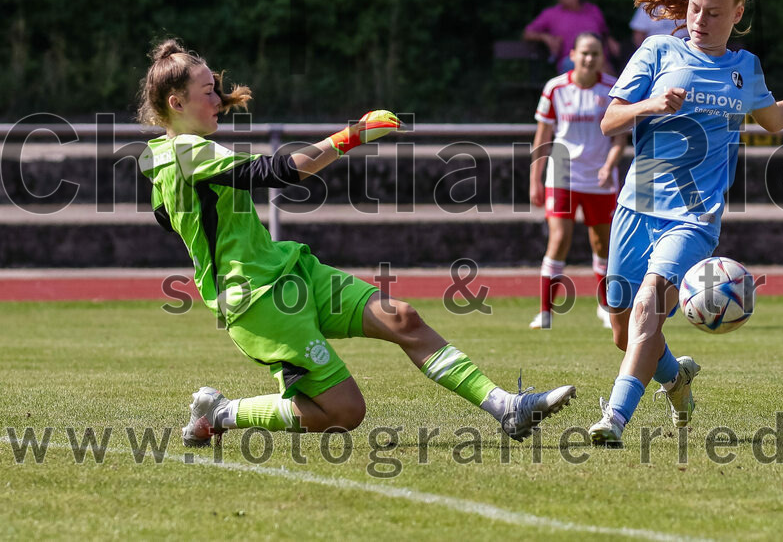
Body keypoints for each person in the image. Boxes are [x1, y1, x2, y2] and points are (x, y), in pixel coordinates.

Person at [136, 39, 576, 447]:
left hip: (289, 272)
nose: (218, 99)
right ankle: (221, 413)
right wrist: (353, 135)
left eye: (216, 89)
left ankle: (506, 407)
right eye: (208, 92)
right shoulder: (188, 151)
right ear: (177, 103)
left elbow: (166, 218)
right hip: (257, 301)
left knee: (402, 318)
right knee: (345, 412)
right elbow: (280, 172)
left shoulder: (163, 157)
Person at [587, 0, 783, 445]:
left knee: (647, 309)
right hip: (635, 209)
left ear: (737, 15)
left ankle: (615, 419)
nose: (700, 20)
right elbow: (610, 121)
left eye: (714, 13)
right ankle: (676, 378)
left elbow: (774, 119)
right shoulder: (657, 50)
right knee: (625, 333)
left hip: (694, 217)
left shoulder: (744, 67)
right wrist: (651, 106)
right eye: (694, 8)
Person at [529, 32, 628, 330]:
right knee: (559, 239)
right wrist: (535, 180)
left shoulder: (613, 88)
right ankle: (545, 312)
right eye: (584, 52)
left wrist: (609, 165)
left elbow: (620, 137)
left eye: (595, 53)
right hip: (562, 174)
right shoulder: (555, 88)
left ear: (602, 57)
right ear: (572, 55)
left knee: (602, 243)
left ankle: (605, 306)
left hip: (599, 178)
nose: (589, 58)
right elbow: (543, 136)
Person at [523, 0, 621, 75]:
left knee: (601, 63)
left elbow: (604, 32)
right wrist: (545, 37)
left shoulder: (593, 10)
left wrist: (610, 40)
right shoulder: (550, 14)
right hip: (571, 62)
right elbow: (527, 33)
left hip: (600, 59)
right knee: (596, 64)